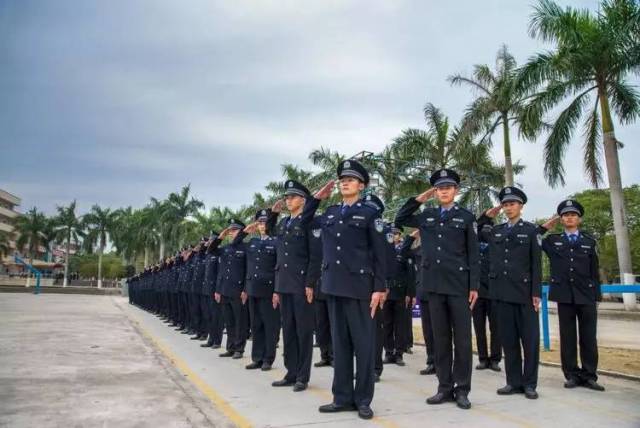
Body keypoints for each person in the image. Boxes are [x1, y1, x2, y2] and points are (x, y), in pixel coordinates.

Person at [395, 168, 479, 410]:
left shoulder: (466, 218)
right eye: (439, 188)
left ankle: (462, 389)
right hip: (433, 286)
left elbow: (473, 256)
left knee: (462, 341)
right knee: (440, 340)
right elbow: (400, 219)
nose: (443, 191)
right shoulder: (427, 216)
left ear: (456, 191)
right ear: (435, 192)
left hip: (459, 286)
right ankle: (444, 388)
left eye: (448, 187)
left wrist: (474, 285)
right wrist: (422, 197)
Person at [316, 159, 386, 420]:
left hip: (361, 289)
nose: (345, 182)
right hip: (334, 286)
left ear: (362, 185)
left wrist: (379, 287)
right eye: (342, 179)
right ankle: (342, 397)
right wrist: (316, 197)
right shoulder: (331, 213)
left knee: (364, 347)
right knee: (341, 345)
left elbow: (381, 255)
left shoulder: (369, 214)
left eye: (350, 179)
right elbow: (304, 221)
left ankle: (363, 399)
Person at [539, 200, 604, 391]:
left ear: (579, 219)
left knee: (589, 337)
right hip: (564, 295)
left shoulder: (589, 241)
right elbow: (533, 239)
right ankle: (572, 375)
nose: (569, 218)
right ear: (561, 219)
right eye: (566, 215)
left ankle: (589, 375)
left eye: (573, 215)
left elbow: (595, 270)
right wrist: (544, 227)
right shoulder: (553, 240)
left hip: (586, 295)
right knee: (567, 337)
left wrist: (597, 296)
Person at [271, 180, 326, 392]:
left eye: (292, 197)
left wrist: (310, 283)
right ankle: (291, 372)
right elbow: (276, 245)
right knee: (289, 331)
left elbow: (315, 257)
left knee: (304, 332)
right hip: (284, 284)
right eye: (287, 197)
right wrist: (277, 287)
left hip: (302, 285)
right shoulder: (285, 223)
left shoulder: (310, 223)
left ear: (303, 200)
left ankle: (303, 376)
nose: (288, 200)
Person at [489, 186, 542, 400]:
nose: (508, 207)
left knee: (529, 341)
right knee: (508, 341)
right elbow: (477, 227)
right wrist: (488, 215)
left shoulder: (531, 231)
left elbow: (536, 265)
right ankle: (513, 382)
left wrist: (536, 292)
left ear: (521, 206)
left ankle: (529, 384)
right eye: (505, 204)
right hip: (501, 294)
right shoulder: (496, 231)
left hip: (524, 294)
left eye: (512, 204)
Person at [243, 208, 280, 371]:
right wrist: (245, 232)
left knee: (270, 326)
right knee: (256, 325)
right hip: (253, 289)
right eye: (259, 222)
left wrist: (277, 291)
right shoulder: (252, 242)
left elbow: (279, 268)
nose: (262, 225)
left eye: (265, 222)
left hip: (269, 290)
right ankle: (257, 357)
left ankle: (268, 359)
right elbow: (246, 267)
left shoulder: (276, 241)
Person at [383, 224, 416, 367]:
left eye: (396, 234)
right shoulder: (383, 250)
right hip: (386, 293)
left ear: (400, 236)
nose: (393, 236)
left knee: (400, 325)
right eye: (391, 234)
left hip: (401, 294)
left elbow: (411, 274)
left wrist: (411, 293)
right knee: (387, 325)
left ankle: (399, 354)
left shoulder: (405, 252)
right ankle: (388, 352)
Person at [473, 207, 502, 372]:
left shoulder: (497, 244)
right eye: (484, 228)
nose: (487, 231)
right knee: (479, 327)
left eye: (489, 228)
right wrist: (485, 216)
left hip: (495, 291)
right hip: (477, 292)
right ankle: (483, 358)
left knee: (496, 327)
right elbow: (475, 225)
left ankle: (495, 359)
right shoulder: (474, 243)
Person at [215, 220, 249, 359]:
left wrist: (245, 289)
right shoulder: (225, 248)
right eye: (230, 231)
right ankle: (230, 347)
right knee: (229, 321)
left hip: (238, 291)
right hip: (225, 290)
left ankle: (239, 349)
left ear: (241, 232)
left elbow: (248, 271)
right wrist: (220, 238)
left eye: (234, 230)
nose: (231, 233)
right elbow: (211, 250)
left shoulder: (246, 248)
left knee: (239, 322)